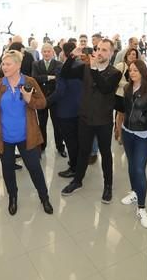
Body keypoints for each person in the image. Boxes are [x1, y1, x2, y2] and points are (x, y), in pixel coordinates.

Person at [0, 50, 53, 215]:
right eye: (3, 63)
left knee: (34, 168)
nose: (4, 66)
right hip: (4, 137)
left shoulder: (29, 82)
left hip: (26, 136)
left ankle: (44, 197)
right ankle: (12, 197)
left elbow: (42, 103)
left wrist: (29, 100)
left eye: (8, 64)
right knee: (7, 169)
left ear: (18, 65)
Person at [60, 39, 121, 202]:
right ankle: (77, 181)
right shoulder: (85, 68)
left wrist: (94, 69)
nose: (100, 52)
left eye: (105, 50)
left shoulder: (115, 73)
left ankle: (108, 186)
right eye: (98, 48)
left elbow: (105, 88)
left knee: (106, 154)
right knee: (83, 151)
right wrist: (72, 56)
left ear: (111, 53)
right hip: (85, 118)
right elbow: (65, 73)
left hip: (103, 120)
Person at [120, 59, 147, 229]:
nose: (132, 72)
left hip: (143, 135)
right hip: (127, 132)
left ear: (143, 71)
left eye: (135, 70)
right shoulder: (127, 88)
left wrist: (144, 119)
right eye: (130, 70)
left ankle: (142, 208)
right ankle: (134, 192)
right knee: (131, 166)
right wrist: (119, 125)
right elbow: (124, 110)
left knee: (139, 168)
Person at [47, 42, 83, 178]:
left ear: (63, 53)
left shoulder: (62, 69)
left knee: (70, 141)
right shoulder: (82, 66)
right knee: (78, 140)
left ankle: (74, 168)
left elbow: (60, 92)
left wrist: (46, 101)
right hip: (79, 109)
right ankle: (77, 164)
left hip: (65, 111)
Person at [32, 43, 66, 157]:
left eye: (48, 51)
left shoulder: (59, 64)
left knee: (58, 124)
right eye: (44, 51)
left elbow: (60, 79)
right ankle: (42, 146)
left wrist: (44, 77)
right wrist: (50, 77)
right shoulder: (36, 64)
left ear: (53, 52)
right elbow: (34, 78)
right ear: (41, 52)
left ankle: (60, 146)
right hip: (41, 98)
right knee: (42, 124)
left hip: (55, 99)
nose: (46, 53)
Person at [114, 48, 139, 143]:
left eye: (134, 55)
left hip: (132, 96)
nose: (132, 56)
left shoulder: (137, 66)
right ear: (126, 55)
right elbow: (115, 80)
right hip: (121, 95)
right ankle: (120, 135)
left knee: (129, 116)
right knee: (120, 115)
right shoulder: (121, 65)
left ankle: (126, 134)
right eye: (131, 54)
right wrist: (129, 84)